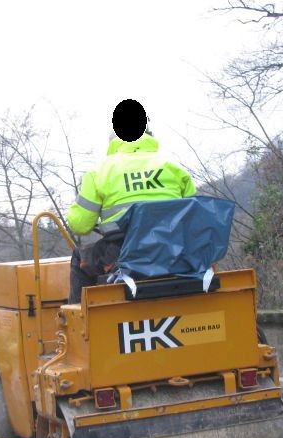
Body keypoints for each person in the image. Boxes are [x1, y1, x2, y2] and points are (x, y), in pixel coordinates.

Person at [65, 99, 196, 303]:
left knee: (79, 259)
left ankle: (78, 318)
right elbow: (195, 219)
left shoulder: (100, 172)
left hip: (122, 253)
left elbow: (80, 225)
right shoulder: (174, 168)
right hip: (174, 252)